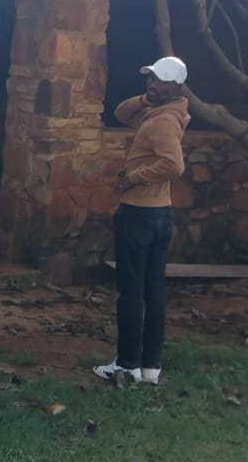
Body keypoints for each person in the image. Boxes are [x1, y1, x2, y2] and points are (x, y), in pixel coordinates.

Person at [93, 56, 191, 386]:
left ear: (176, 86)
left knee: (132, 290)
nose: (152, 83)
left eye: (161, 81)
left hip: (139, 213)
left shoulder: (162, 122)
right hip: (160, 213)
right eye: (151, 78)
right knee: (153, 289)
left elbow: (174, 166)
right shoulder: (162, 113)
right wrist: (145, 98)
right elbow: (121, 113)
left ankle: (126, 365)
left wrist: (133, 178)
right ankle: (150, 368)